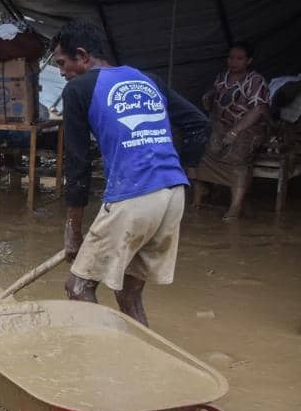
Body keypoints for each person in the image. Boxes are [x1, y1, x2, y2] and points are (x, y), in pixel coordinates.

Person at [52, 20, 209, 326]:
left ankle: (105, 365)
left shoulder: (78, 88)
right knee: (129, 291)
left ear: (82, 56)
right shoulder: (147, 79)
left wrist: (73, 229)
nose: (61, 72)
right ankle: (144, 364)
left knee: (78, 287)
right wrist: (176, 166)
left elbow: (77, 162)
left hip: (134, 196)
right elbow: (199, 124)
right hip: (173, 194)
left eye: (62, 63)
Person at [190, 42, 271, 219]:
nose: (234, 62)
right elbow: (214, 96)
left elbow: (257, 110)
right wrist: (209, 96)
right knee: (201, 146)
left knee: (238, 155)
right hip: (222, 125)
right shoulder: (221, 77)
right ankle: (200, 196)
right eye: (231, 57)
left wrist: (235, 131)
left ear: (249, 61)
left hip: (250, 128)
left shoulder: (255, 81)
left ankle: (235, 205)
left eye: (239, 58)